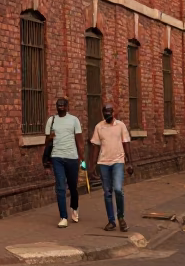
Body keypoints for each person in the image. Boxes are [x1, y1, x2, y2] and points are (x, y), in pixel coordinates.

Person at [88, 103, 134, 232]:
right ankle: (111, 221)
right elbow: (95, 147)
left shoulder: (120, 126)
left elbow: (126, 144)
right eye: (105, 112)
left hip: (118, 161)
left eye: (109, 112)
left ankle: (121, 217)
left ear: (113, 112)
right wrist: (92, 167)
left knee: (118, 189)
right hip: (103, 163)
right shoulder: (99, 127)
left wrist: (130, 163)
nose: (107, 114)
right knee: (107, 192)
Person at [43, 97, 84, 228]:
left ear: (67, 106)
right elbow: (47, 142)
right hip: (57, 157)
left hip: (72, 157)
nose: (61, 107)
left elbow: (79, 141)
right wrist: (46, 161)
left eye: (63, 105)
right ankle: (63, 217)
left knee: (73, 187)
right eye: (58, 105)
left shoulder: (74, 120)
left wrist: (82, 159)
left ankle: (74, 207)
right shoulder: (51, 120)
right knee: (60, 187)